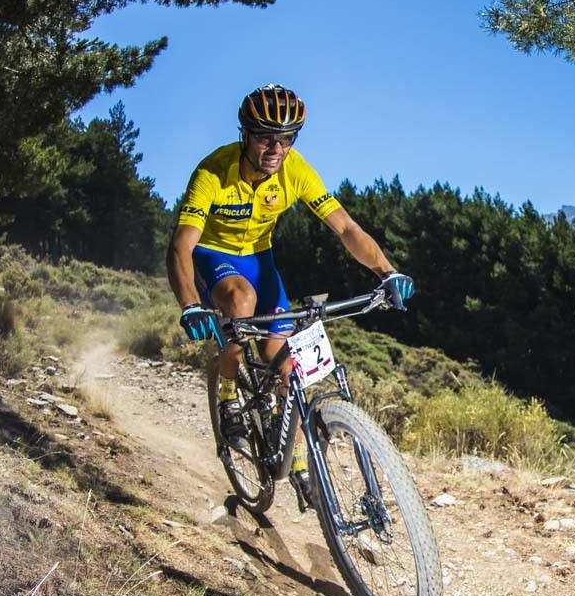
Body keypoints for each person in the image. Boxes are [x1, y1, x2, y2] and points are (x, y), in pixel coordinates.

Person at [166, 84, 413, 486]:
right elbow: (181, 245)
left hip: (260, 260)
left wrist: (387, 272)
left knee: (286, 365)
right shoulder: (214, 170)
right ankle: (228, 391)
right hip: (212, 255)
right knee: (241, 301)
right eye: (266, 137)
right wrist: (190, 304)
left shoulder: (294, 169)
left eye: (286, 138)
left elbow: (346, 228)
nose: (276, 148)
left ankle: (295, 457)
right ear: (245, 134)